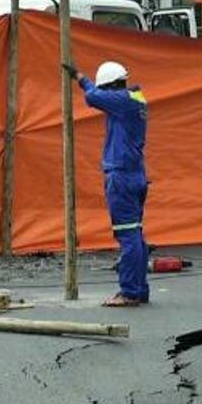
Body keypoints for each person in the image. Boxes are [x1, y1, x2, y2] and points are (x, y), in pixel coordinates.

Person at [63, 60, 150, 307]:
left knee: (128, 235)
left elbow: (93, 97)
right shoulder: (133, 100)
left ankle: (130, 291)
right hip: (135, 175)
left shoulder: (122, 101)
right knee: (136, 233)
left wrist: (82, 81)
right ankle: (139, 289)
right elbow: (98, 93)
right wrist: (80, 76)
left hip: (121, 176)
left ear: (112, 86)